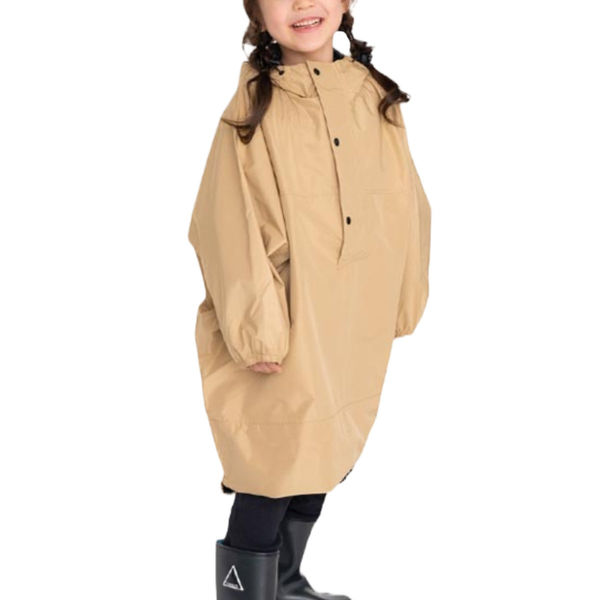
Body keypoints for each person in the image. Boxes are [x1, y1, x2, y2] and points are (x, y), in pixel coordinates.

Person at [187, 1, 432, 598]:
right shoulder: (255, 106)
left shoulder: (374, 95)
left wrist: (405, 293)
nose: (302, 3)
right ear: (256, 12)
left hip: (353, 314)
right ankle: (248, 593)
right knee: (272, 466)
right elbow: (226, 225)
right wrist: (258, 329)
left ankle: (286, 582)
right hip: (285, 315)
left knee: (325, 454)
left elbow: (408, 202)